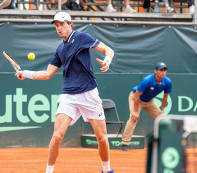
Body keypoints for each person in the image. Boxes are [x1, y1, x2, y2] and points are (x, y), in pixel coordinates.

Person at [15, 12, 115, 173]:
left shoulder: (81, 37)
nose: (59, 28)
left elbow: (107, 49)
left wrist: (107, 61)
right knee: (57, 137)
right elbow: (47, 74)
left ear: (70, 23)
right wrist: (25, 73)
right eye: (56, 25)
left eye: (62, 24)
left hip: (89, 93)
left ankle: (106, 169)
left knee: (102, 139)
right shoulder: (60, 49)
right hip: (69, 95)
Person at [121, 62, 172, 151]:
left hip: (150, 101)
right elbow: (137, 95)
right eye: (161, 70)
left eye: (164, 70)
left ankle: (164, 142)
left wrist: (162, 111)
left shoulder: (167, 82)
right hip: (136, 98)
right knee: (133, 118)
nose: (163, 72)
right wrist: (136, 112)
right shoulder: (147, 80)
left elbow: (165, 97)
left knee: (162, 119)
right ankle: (125, 144)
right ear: (155, 71)